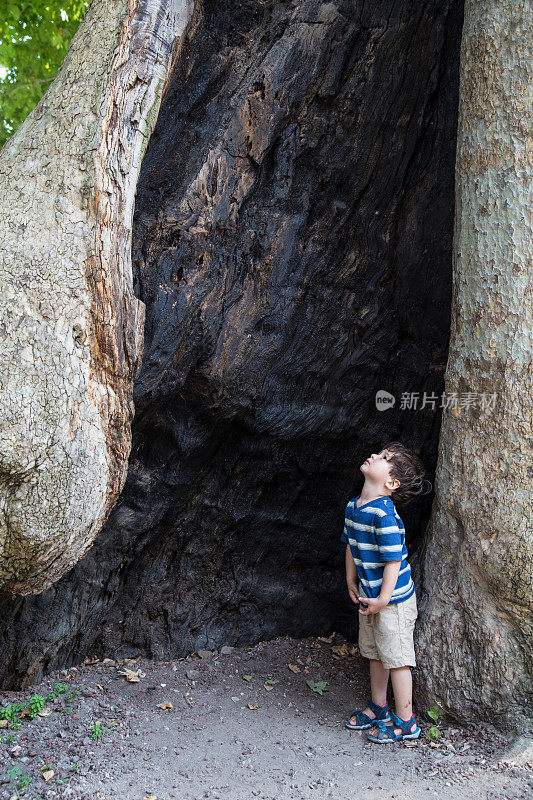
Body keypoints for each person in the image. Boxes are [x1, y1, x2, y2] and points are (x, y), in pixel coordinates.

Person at [340, 441, 431, 743]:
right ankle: (379, 707)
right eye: (379, 453)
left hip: (393, 601)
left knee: (396, 658)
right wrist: (351, 580)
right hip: (370, 596)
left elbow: (393, 559)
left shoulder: (384, 515)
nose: (375, 456)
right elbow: (351, 546)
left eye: (384, 458)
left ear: (391, 482)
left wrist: (383, 599)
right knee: (375, 653)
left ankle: (407, 721)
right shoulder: (355, 507)